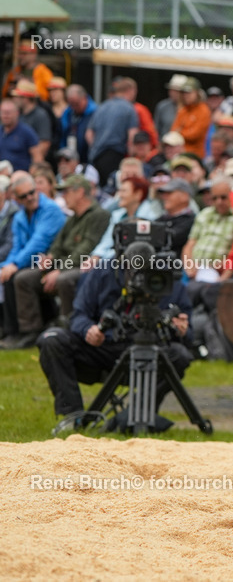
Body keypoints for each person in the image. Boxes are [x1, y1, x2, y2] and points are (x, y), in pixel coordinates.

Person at [37, 240, 193, 425]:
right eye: (132, 270)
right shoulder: (103, 272)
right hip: (103, 348)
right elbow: (78, 315)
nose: (138, 277)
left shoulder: (167, 279)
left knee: (180, 355)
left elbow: (189, 333)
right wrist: (89, 330)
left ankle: (135, 414)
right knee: (52, 339)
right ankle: (73, 415)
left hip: (149, 353)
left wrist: (182, 329)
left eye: (144, 270)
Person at [13, 174, 109, 343]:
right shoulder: (73, 217)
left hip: (85, 267)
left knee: (64, 280)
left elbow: (85, 250)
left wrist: (59, 269)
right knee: (24, 278)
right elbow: (58, 244)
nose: (63, 197)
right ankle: (30, 331)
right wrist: (50, 258)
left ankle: (69, 328)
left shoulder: (99, 215)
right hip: (64, 265)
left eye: (66, 192)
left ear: (80, 192)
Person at [0, 172, 65, 348]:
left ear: (36, 190)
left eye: (32, 192)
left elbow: (38, 243)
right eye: (24, 196)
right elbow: (17, 247)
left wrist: (15, 264)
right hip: (34, 261)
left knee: (19, 277)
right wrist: (7, 266)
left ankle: (29, 331)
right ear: (16, 199)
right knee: (8, 276)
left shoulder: (50, 210)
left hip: (55, 261)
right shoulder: (20, 217)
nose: (30, 197)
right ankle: (11, 331)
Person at [0, 98, 39, 173]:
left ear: (17, 113)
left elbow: (37, 158)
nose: (5, 115)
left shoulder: (26, 132)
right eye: (3, 112)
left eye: (8, 112)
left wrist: (32, 173)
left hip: (20, 175)